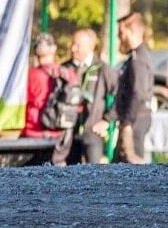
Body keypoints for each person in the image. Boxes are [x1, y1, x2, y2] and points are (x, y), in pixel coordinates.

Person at [49, 27, 117, 166]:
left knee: (93, 172)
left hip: (92, 132)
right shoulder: (65, 68)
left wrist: (107, 120)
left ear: (90, 46)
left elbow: (120, 95)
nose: (73, 49)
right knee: (70, 173)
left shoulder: (102, 69)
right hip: (68, 133)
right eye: (72, 44)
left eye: (77, 45)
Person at [114, 12, 156, 164]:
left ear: (131, 32)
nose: (119, 38)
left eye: (121, 33)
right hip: (134, 118)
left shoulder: (138, 59)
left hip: (135, 120)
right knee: (120, 164)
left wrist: (128, 123)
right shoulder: (135, 56)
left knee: (132, 164)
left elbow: (139, 93)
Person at [22, 34, 63, 139]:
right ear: (54, 49)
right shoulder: (67, 73)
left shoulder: (28, 75)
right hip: (59, 134)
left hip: (33, 131)